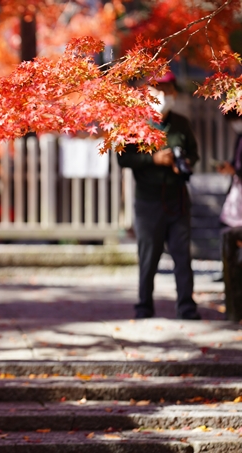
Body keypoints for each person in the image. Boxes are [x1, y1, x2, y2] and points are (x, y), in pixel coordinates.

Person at [117, 72, 202, 320]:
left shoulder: (181, 124)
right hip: (148, 200)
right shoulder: (135, 124)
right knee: (148, 256)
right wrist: (153, 159)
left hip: (178, 199)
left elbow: (194, 154)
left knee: (182, 255)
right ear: (147, 94)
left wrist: (183, 162)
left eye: (167, 91)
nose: (163, 96)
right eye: (157, 91)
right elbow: (123, 158)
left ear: (174, 93)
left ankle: (186, 306)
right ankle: (144, 305)